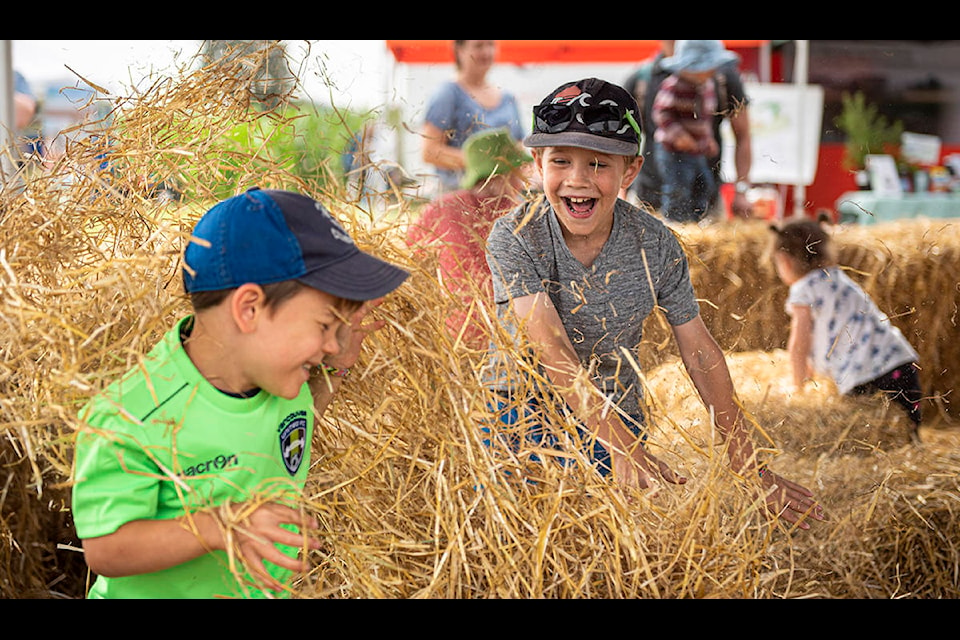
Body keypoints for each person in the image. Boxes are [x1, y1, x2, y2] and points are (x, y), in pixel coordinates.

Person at [484, 77, 824, 529]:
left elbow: (699, 349)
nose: (577, 180)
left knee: (621, 542)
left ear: (630, 170)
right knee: (517, 532)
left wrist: (746, 462)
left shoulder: (655, 244)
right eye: (560, 160)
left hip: (614, 408)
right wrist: (624, 447)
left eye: (599, 164)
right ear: (537, 163)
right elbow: (554, 352)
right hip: (520, 410)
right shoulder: (514, 235)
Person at [71, 187, 409, 598]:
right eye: (324, 325)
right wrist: (221, 525)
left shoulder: (278, 378)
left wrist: (336, 368)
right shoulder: (134, 413)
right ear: (249, 308)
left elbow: (287, 432)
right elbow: (106, 550)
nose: (333, 344)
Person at [769, 217, 922, 443]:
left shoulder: (803, 290)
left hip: (865, 375)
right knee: (907, 432)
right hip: (901, 364)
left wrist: (797, 385)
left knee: (867, 440)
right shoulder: (839, 278)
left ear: (785, 261)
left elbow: (800, 343)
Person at [407, 127, 531, 349]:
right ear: (506, 174)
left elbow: (412, 260)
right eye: (517, 173)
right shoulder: (522, 214)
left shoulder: (441, 208)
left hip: (454, 336)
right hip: (512, 335)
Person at [624, 40, 752, 221]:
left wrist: (741, 191)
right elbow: (626, 141)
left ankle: (693, 215)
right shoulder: (642, 78)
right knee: (677, 191)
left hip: (710, 198)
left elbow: (743, 135)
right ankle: (676, 219)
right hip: (648, 200)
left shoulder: (722, 78)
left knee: (700, 186)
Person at [421, 40, 524, 194]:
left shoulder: (508, 98)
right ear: (459, 50)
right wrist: (483, 163)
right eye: (478, 46)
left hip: (504, 197)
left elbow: (518, 146)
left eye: (490, 45)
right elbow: (430, 151)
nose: (486, 52)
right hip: (460, 197)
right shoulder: (448, 94)